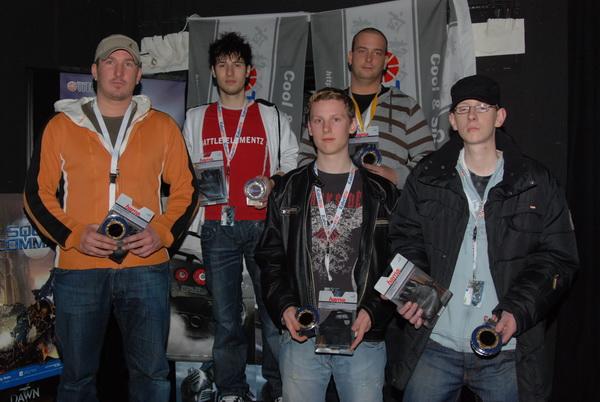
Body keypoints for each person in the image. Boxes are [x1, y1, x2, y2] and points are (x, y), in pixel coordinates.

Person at [23, 34, 199, 402]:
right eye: (110, 62)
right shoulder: (61, 125)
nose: (119, 71)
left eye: (128, 63)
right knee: (76, 378)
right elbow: (36, 195)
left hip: (145, 267)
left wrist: (162, 232)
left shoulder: (163, 126)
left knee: (152, 375)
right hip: (79, 268)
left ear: (139, 75)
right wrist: (74, 235)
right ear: (94, 71)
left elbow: (188, 189)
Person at [388, 74, 579, 401]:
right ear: (452, 121)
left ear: (500, 116)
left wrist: (516, 311)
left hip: (504, 346)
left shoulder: (535, 182)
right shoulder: (427, 176)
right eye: (463, 109)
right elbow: (404, 237)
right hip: (435, 342)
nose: (472, 116)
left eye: (482, 107)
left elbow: (558, 257)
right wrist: (415, 292)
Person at [256, 87, 398, 402]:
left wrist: (374, 311)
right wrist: (285, 306)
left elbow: (398, 262)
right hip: (303, 332)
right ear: (309, 127)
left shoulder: (382, 193)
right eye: (318, 120)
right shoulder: (287, 190)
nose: (326, 128)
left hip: (362, 333)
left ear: (352, 125)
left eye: (336, 119)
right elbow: (270, 258)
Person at [183, 32, 298, 402]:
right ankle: (232, 389)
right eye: (222, 64)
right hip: (217, 227)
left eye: (237, 64)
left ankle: (279, 389)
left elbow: (291, 160)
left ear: (249, 71)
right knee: (226, 317)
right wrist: (192, 180)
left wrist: (273, 181)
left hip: (263, 226)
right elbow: (184, 169)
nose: (230, 71)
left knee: (273, 312)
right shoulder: (196, 118)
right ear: (213, 72)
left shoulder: (270, 115)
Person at [298, 27, 435, 189]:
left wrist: (398, 176)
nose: (369, 59)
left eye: (377, 53)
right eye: (362, 51)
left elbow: (429, 159)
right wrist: (325, 182)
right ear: (350, 57)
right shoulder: (328, 105)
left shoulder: (407, 106)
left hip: (387, 201)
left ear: (385, 61)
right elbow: (304, 156)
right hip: (332, 199)